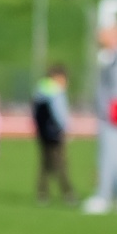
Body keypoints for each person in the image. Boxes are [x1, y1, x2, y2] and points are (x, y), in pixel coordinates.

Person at [84, 25, 117, 214]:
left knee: (109, 155)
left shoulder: (115, 58)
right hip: (110, 113)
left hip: (113, 115)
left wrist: (115, 112)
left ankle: (104, 195)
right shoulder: (111, 57)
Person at [31, 65, 75, 206]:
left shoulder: (40, 89)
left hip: (42, 133)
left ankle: (42, 193)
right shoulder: (56, 91)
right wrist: (66, 129)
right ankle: (68, 193)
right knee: (61, 163)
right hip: (55, 133)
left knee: (45, 164)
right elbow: (59, 113)